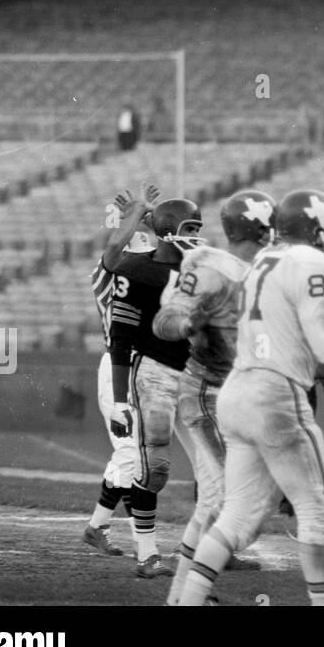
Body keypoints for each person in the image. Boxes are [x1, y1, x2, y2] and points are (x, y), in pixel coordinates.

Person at [178, 190, 324, 606]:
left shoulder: (260, 263)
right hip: (275, 397)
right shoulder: (309, 263)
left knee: (236, 516)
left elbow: (290, 347)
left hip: (237, 392)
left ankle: (186, 600)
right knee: (319, 513)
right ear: (316, 228)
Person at [154, 189, 276, 605]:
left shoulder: (263, 271)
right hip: (207, 392)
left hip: (237, 394)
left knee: (220, 499)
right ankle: (189, 594)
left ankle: (184, 594)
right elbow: (164, 320)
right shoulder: (211, 266)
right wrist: (188, 323)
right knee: (228, 498)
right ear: (259, 227)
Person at [108, 197, 203, 577]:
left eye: (198, 228)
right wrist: (119, 401)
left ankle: (199, 550)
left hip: (197, 375)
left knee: (216, 471)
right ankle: (147, 554)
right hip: (155, 373)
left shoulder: (205, 270)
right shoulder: (137, 270)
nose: (197, 236)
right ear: (166, 230)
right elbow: (120, 336)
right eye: (190, 228)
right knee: (156, 468)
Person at [82, 181, 158, 558]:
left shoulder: (144, 270)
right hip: (117, 367)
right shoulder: (108, 269)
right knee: (130, 455)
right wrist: (139, 214)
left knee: (137, 455)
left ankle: (97, 527)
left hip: (142, 368)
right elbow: (115, 248)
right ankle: (103, 529)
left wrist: (143, 216)